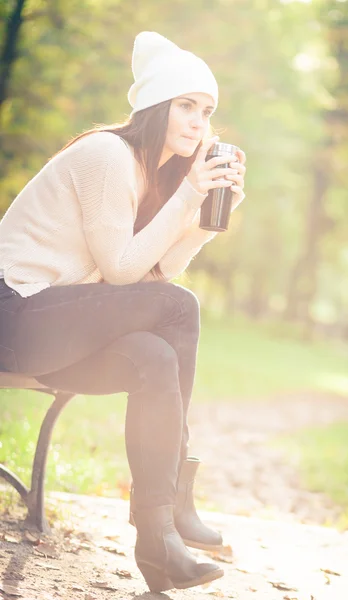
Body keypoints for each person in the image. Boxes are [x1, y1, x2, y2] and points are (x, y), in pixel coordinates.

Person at [0, 31, 246, 592]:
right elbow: (122, 272)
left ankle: (157, 538)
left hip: (55, 329)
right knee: (177, 310)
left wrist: (203, 221)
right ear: (155, 106)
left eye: (206, 111)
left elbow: (154, 277)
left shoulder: (149, 176)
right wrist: (188, 195)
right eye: (186, 105)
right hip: (11, 314)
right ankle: (177, 502)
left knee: (154, 355)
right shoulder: (106, 155)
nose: (197, 122)